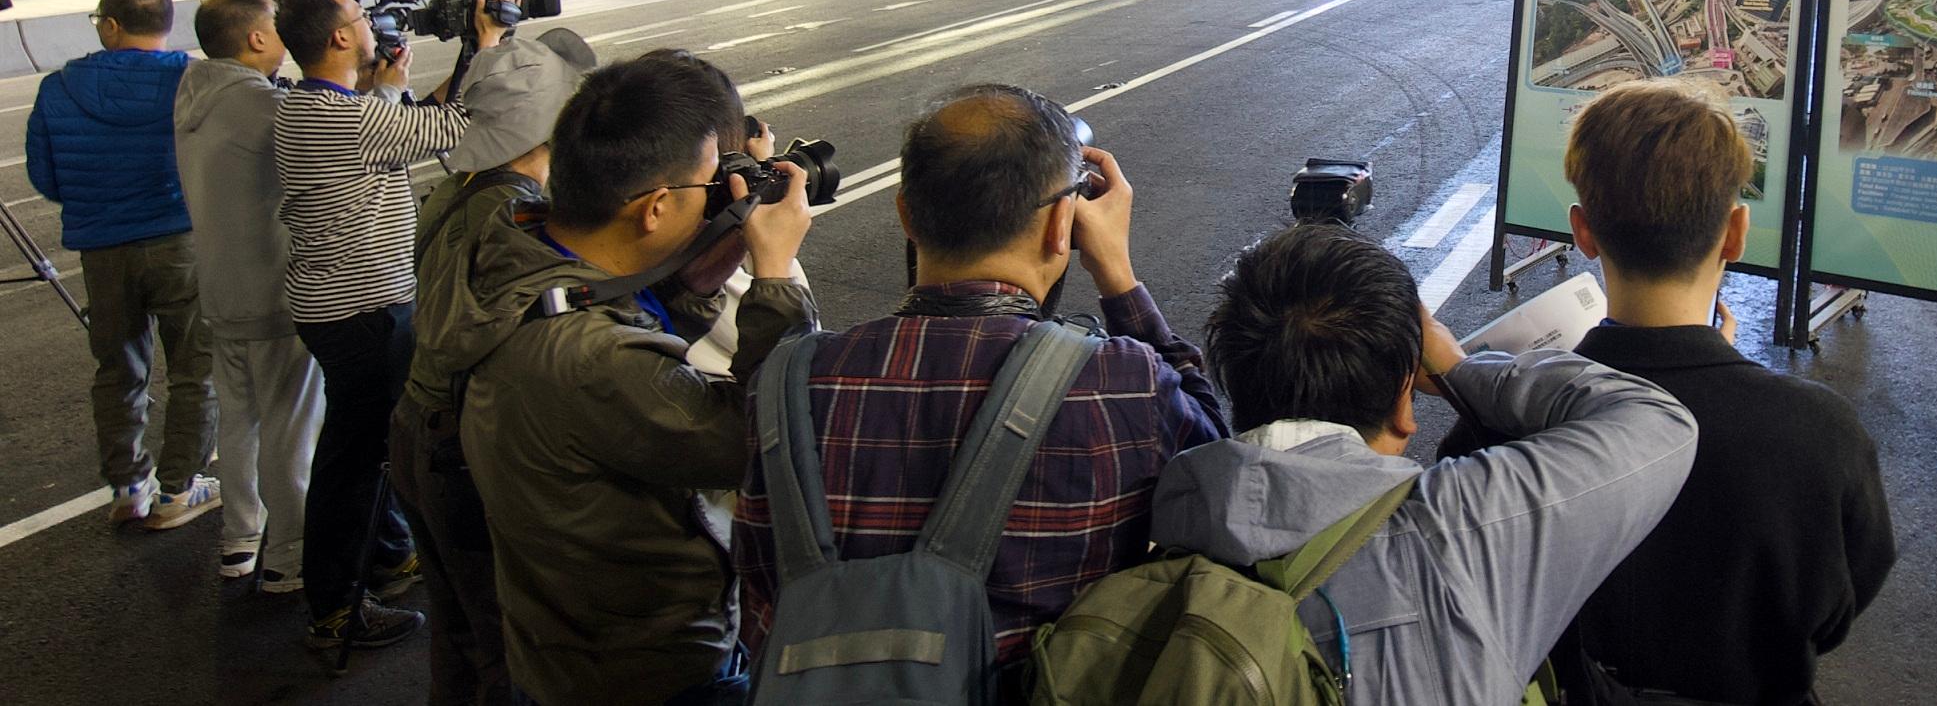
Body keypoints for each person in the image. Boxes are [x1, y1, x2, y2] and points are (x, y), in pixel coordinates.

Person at [734, 85, 1226, 667]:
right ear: (1063, 223)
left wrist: (771, 279)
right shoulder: (1122, 382)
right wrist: (1117, 273)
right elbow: (1216, 472)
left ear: (906, 215)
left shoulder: (785, 381)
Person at [1148, 221, 1698, 704]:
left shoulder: (1167, 525)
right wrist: (1460, 368)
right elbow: (1657, 419)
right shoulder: (1461, 526)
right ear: (1403, 406)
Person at [455, 50, 817, 706]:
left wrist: (701, 273)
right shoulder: (593, 360)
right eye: (710, 188)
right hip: (644, 673)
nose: (719, 201)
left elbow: (626, 312)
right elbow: (767, 439)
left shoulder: (518, 247)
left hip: (558, 646)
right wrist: (774, 276)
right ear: (653, 208)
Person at [1547, 80, 1893, 703]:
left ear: (1584, 232)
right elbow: (1839, 606)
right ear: (1735, 233)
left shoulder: (1504, 427)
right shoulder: (1821, 433)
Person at [272, 0, 498, 652]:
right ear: (341, 38)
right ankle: (336, 608)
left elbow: (401, 127)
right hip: (364, 310)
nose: (369, 23)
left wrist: (397, 87)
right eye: (357, 16)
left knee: (363, 445)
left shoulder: (310, 106)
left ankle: (386, 555)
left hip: (336, 307)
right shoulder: (350, 119)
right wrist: (483, 46)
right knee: (356, 459)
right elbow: (456, 127)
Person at [390, 25, 595, 705]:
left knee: (456, 632)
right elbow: (473, 336)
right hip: (460, 446)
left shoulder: (454, 192)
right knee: (507, 639)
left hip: (417, 428)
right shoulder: (515, 212)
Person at [26, 0, 220, 530]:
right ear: (163, 24)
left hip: (102, 248)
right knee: (195, 370)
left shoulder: (59, 87)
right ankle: (179, 489)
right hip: (179, 241)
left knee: (117, 369)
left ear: (110, 25)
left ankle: (129, 485)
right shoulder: (190, 79)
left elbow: (45, 174)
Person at [173, 0, 326, 592]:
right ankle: (291, 553)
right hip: (273, 292)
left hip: (220, 287)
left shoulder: (196, 97)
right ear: (258, 38)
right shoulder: (260, 106)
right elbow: (338, 138)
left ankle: (240, 537)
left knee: (240, 422)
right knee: (292, 428)